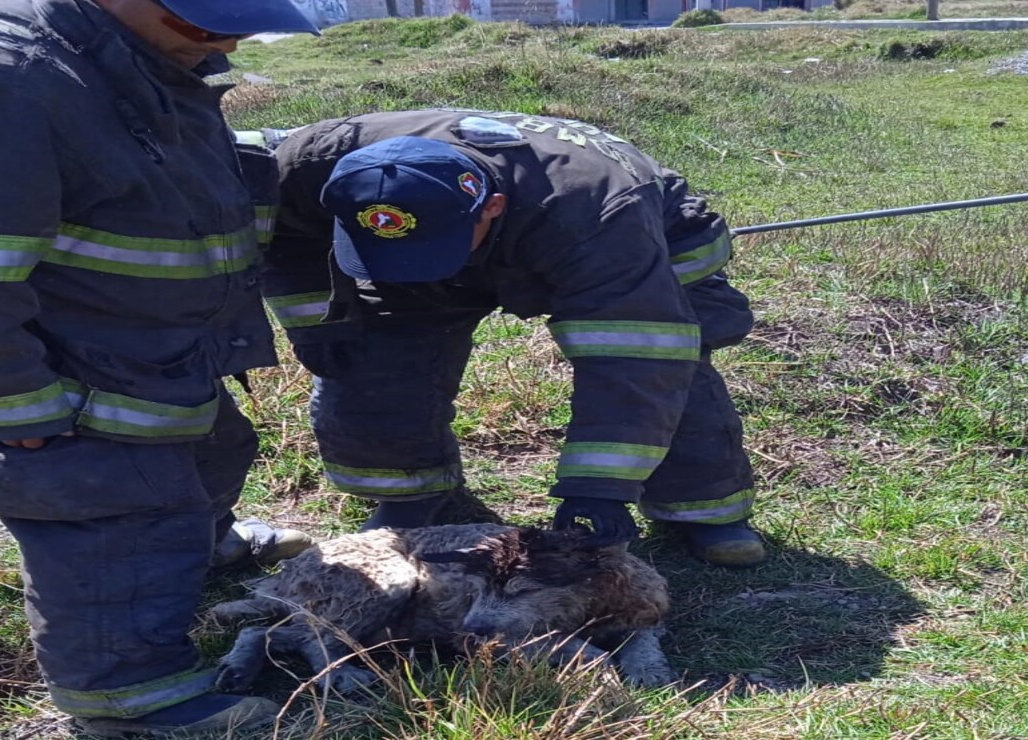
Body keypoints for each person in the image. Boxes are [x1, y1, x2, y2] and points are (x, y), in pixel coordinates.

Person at [0, 0, 319, 735]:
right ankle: (126, 696)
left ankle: (198, 548)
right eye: (205, 24)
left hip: (152, 349)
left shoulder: (142, 57)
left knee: (213, 452)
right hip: (63, 372)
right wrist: (20, 412)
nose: (227, 40)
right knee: (110, 500)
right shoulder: (11, 82)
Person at [257, 110, 768, 568]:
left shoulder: (596, 213)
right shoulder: (310, 165)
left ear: (493, 206)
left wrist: (598, 488)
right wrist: (317, 322)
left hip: (637, 240)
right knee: (373, 358)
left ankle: (703, 509)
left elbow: (633, 361)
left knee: (673, 365)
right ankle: (408, 493)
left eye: (429, 249)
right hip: (483, 240)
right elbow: (287, 241)